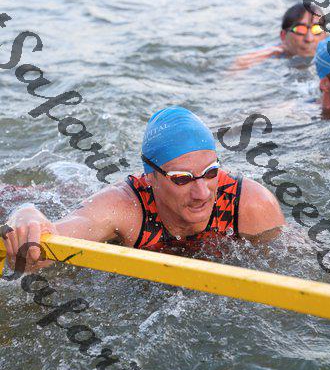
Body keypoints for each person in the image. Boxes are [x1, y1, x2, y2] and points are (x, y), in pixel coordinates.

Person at [2, 107, 285, 269]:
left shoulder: (250, 205)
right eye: (182, 178)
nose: (202, 192)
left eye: (211, 172)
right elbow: (48, 245)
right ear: (150, 177)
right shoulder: (126, 207)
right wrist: (26, 215)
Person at [230, 3, 327, 71]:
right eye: (300, 30)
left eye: (317, 29)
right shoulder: (272, 56)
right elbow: (239, 64)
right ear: (283, 35)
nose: (309, 39)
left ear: (325, 34)